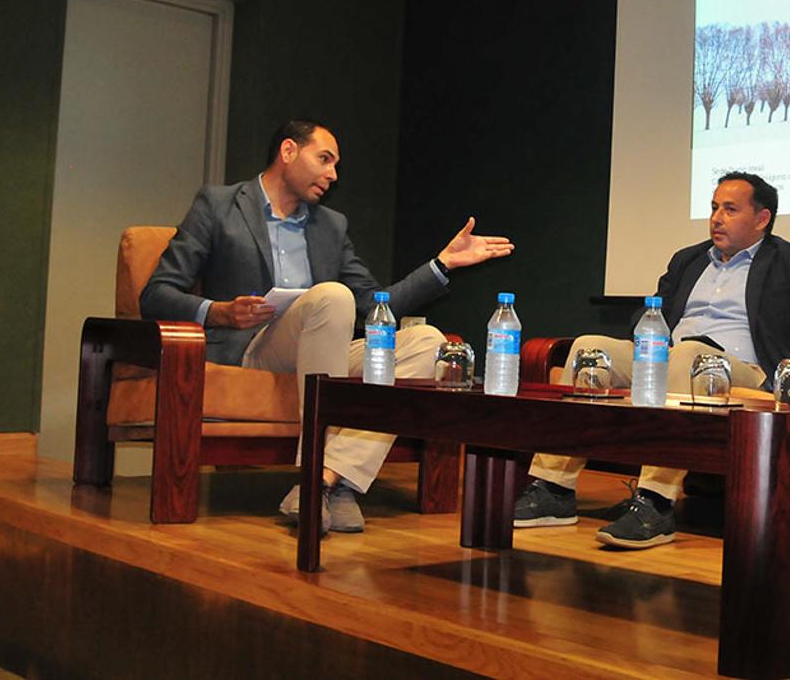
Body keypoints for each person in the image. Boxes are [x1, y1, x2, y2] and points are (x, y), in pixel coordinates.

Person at [141, 119, 513, 533]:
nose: (333, 175)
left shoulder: (330, 226)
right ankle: (326, 478)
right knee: (332, 296)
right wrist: (219, 312)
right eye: (324, 159)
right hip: (253, 346)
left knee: (428, 343)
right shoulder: (219, 205)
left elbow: (373, 305)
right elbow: (156, 293)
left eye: (335, 165)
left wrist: (442, 264)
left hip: (327, 342)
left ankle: (325, 479)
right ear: (287, 152)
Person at [512, 171, 790, 548]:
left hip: (744, 372)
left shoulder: (789, 261)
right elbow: (650, 314)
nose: (717, 217)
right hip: (672, 357)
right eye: (715, 207)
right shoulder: (688, 260)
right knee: (590, 348)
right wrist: (650, 336)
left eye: (730, 209)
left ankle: (655, 503)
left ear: (762, 218)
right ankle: (553, 490)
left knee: (689, 355)